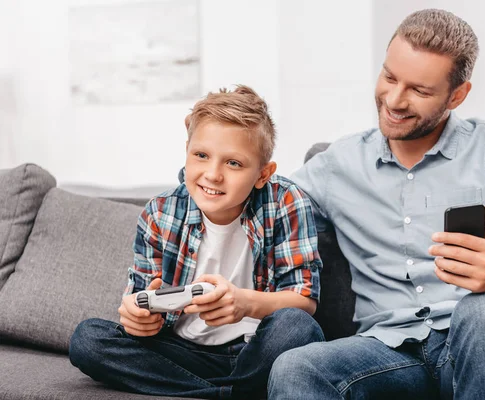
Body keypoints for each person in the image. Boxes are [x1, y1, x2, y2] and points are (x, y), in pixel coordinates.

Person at [268, 8, 485, 400]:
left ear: (457, 95)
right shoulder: (336, 165)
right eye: (390, 77)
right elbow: (255, 199)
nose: (394, 100)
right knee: (296, 367)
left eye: (419, 90)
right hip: (389, 350)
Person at [69, 85, 324, 399]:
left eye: (233, 163)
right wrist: (139, 318)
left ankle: (206, 392)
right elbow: (141, 299)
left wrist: (244, 303)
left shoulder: (285, 201)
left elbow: (304, 300)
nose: (212, 174)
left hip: (255, 351)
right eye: (201, 156)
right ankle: (232, 394)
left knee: (298, 327)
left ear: (262, 174)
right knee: (87, 338)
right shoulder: (160, 212)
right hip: (182, 351)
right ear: (187, 151)